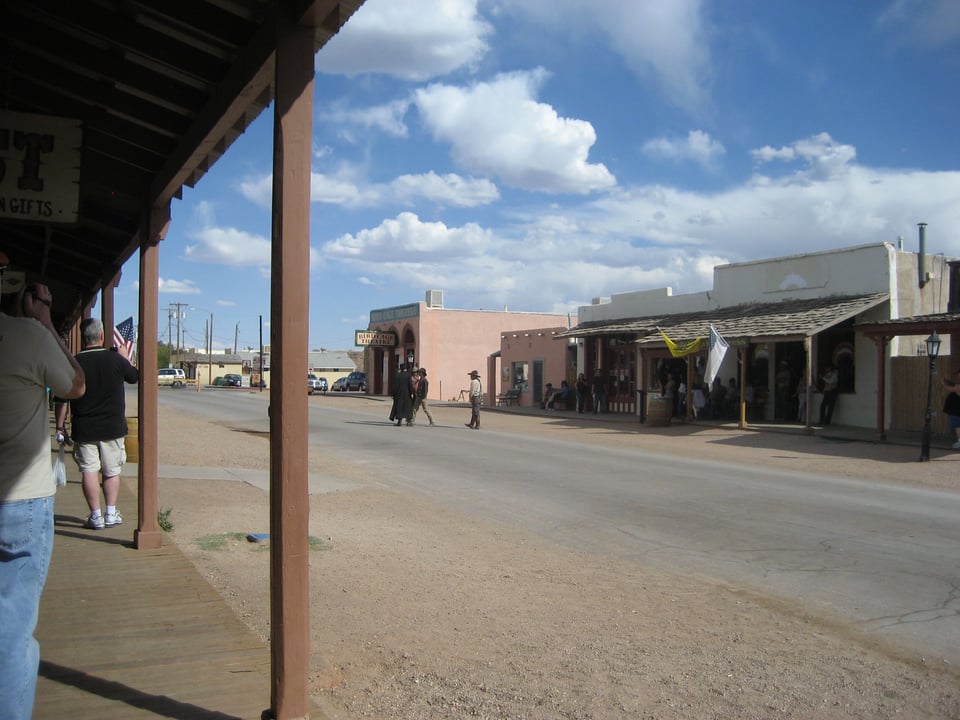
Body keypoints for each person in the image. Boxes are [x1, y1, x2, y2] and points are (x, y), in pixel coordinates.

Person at [1, 275, 86, 720]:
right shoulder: (28, 336)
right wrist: (45, 319)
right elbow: (75, 382)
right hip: (19, 503)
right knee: (12, 635)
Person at [55, 318, 139, 529]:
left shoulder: (74, 363)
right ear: (101, 336)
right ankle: (111, 513)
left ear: (83, 338)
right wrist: (125, 358)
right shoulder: (116, 360)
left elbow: (62, 398)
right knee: (111, 471)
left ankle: (95, 515)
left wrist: (59, 425)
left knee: (89, 471)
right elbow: (133, 377)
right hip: (112, 427)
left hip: (84, 427)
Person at [942, 369, 960, 450]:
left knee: (958, 426)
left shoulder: (958, 386)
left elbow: (951, 389)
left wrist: (943, 383)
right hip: (955, 410)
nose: (957, 376)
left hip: (956, 410)